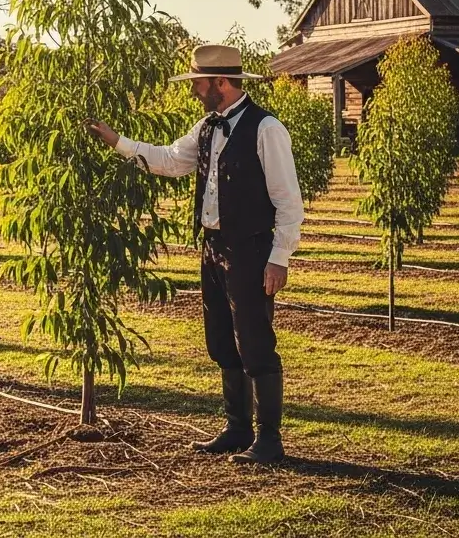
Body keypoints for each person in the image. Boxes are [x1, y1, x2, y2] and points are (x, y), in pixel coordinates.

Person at [85, 43, 303, 464]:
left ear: (221, 82)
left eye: (198, 84)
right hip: (213, 248)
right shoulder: (206, 127)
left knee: (255, 341)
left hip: (252, 250)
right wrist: (118, 142)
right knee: (222, 338)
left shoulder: (266, 129)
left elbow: (288, 201)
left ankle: (269, 440)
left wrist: (280, 257)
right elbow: (169, 160)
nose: (193, 91)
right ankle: (237, 429)